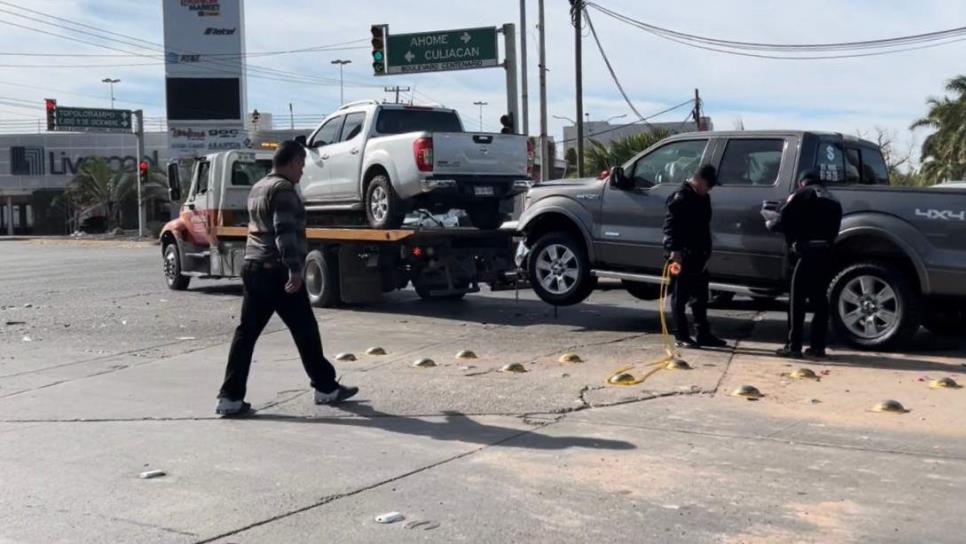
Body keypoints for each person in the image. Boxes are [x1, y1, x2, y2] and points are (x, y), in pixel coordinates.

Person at [216, 141, 358, 416]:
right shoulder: (283, 190)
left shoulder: (258, 187)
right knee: (305, 329)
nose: (302, 172)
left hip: (253, 266)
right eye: (301, 165)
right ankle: (326, 388)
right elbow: (284, 231)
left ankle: (229, 397)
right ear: (292, 162)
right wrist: (294, 269)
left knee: (246, 334)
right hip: (277, 271)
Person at [764, 170, 843, 358]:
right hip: (825, 253)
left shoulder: (802, 194)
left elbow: (782, 219)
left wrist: (770, 221)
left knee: (797, 300)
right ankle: (818, 347)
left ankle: (794, 346)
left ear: (801, 183)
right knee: (820, 301)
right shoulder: (833, 198)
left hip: (806, 253)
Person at [663, 164, 728, 349]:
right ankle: (681, 335)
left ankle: (703, 334)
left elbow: (703, 228)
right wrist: (674, 251)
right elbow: (670, 227)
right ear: (698, 180)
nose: (709, 190)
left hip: (699, 256)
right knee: (679, 296)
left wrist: (707, 254)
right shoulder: (680, 198)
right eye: (708, 185)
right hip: (681, 256)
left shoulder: (703, 197)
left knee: (700, 297)